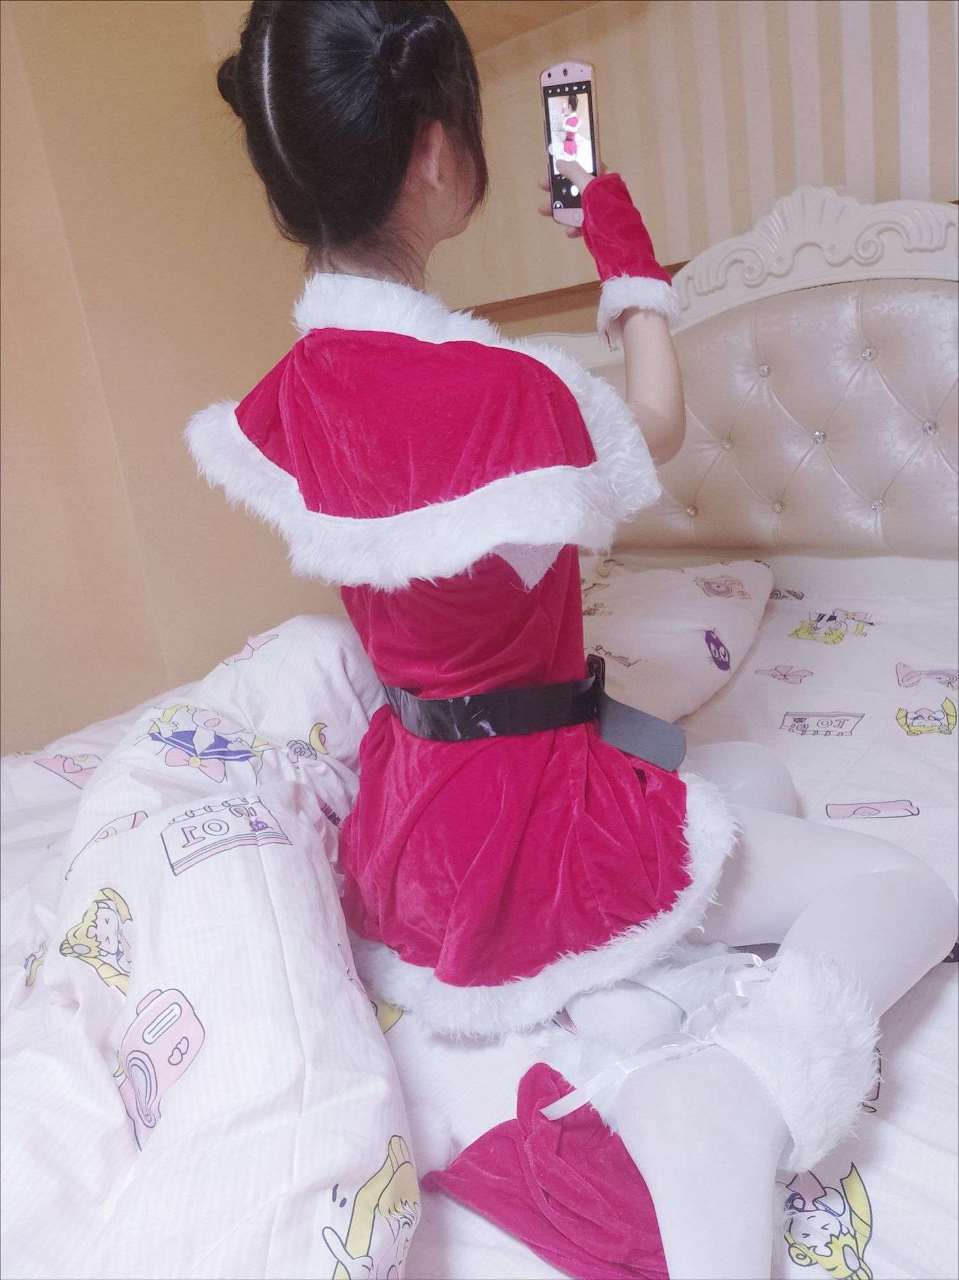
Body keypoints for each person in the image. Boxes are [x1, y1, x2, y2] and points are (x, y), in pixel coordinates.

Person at [186, 3, 957, 1276]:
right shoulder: (514, 395)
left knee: (753, 779)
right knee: (910, 889)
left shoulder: (288, 397)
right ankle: (732, 1091)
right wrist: (625, 261)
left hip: (410, 829)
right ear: (437, 154)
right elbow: (656, 417)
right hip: (537, 834)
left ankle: (624, 1000)